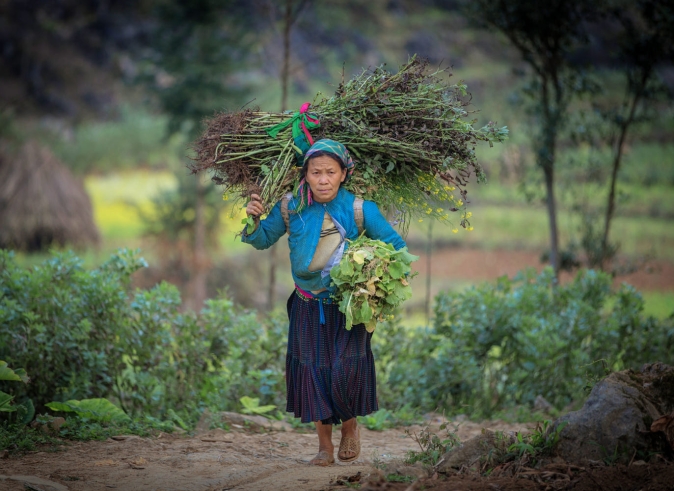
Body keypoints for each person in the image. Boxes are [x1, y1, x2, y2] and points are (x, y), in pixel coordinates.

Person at [243, 138, 406, 466]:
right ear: (305, 174)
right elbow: (261, 240)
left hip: (349, 307)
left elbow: (397, 248)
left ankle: (350, 425)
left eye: (330, 172)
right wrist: (253, 220)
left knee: (344, 370)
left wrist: (369, 269)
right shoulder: (291, 207)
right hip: (306, 304)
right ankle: (324, 448)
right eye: (315, 172)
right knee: (313, 373)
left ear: (343, 174)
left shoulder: (360, 209)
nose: (323, 179)